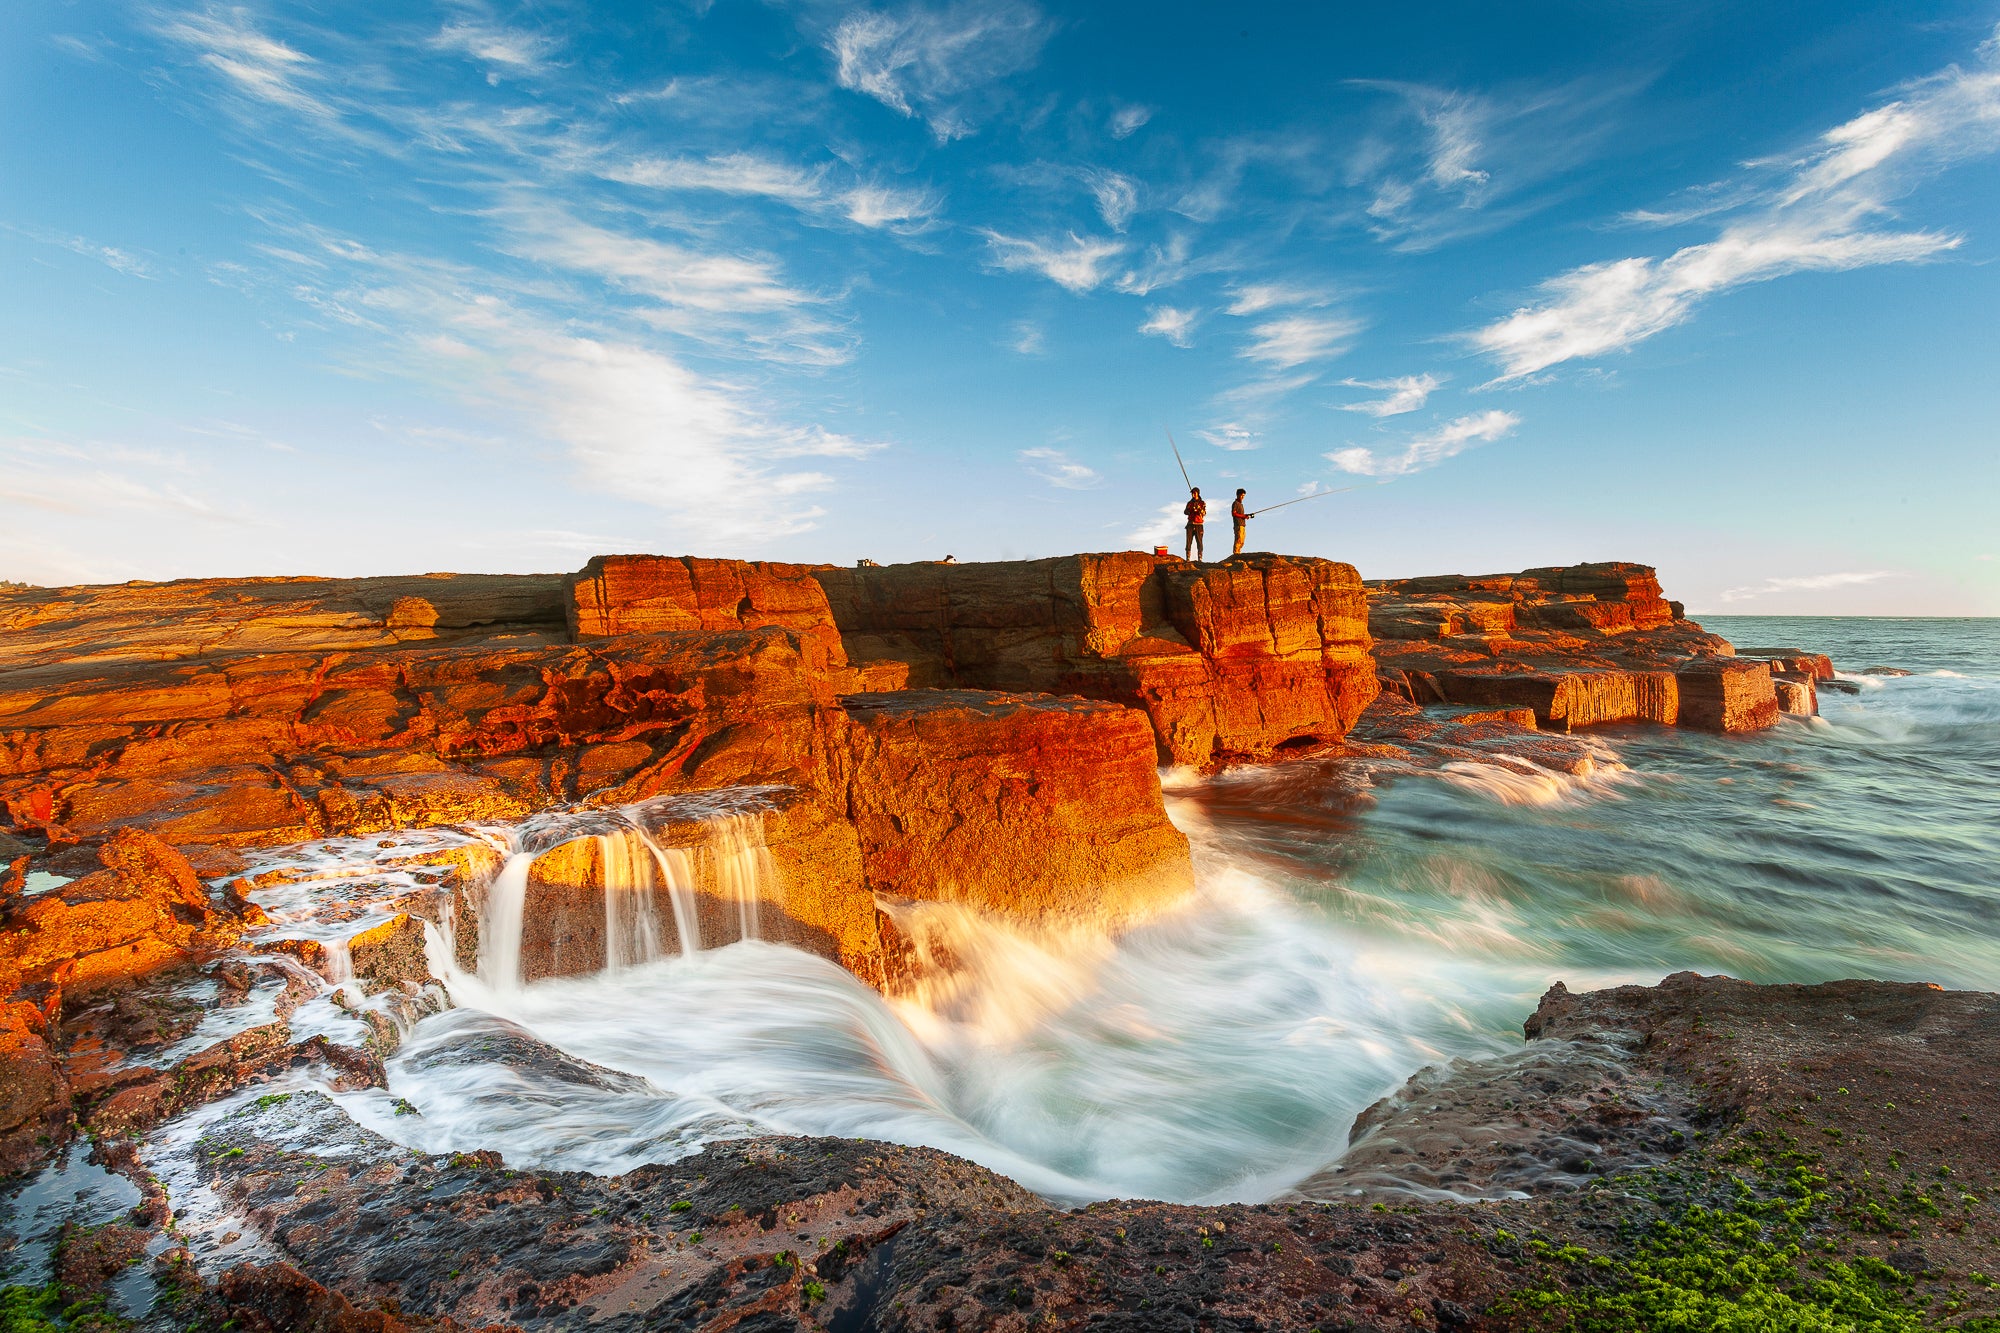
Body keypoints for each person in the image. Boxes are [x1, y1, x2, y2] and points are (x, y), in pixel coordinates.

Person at [1183, 487, 1206, 562]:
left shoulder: (1202, 503)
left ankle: (1200, 558)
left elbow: (1204, 513)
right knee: (1188, 541)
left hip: (1199, 524)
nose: (1193, 494)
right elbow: (1185, 512)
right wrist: (1190, 509)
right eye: (1192, 493)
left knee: (1199, 541)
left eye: (1194, 493)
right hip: (1190, 524)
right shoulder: (1189, 503)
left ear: (1198, 493)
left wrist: (1199, 509)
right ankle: (1188, 557)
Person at [1231, 488, 1249, 556]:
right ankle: (1236, 554)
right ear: (1237, 495)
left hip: (1243, 525)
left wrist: (1245, 516)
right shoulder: (1235, 503)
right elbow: (1234, 513)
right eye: (1241, 495)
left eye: (1243, 496)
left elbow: (1241, 515)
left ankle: (1238, 553)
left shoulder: (1241, 504)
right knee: (1238, 539)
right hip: (1238, 525)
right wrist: (1243, 516)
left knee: (1242, 541)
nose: (1242, 497)